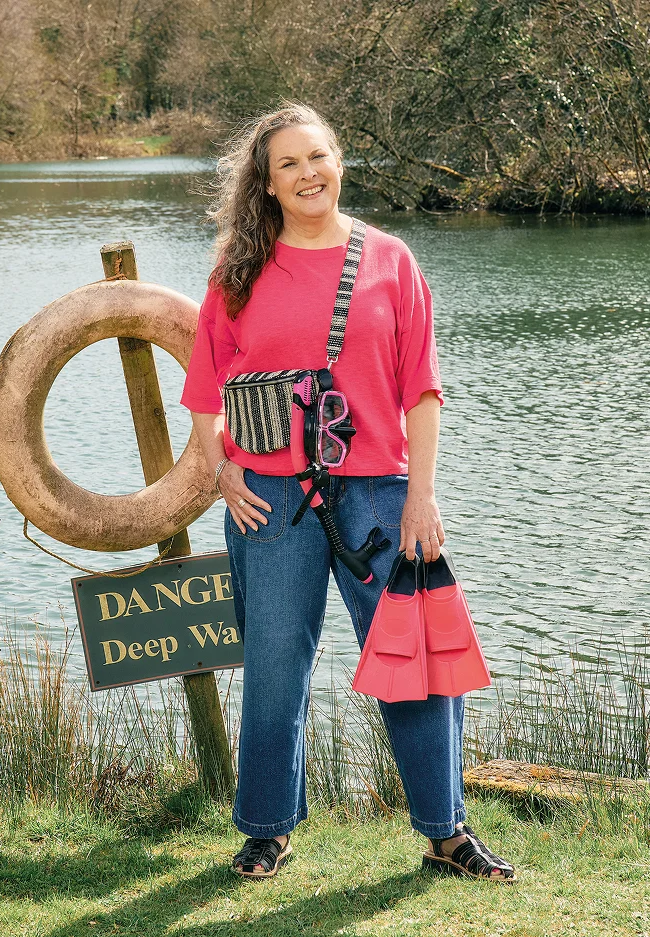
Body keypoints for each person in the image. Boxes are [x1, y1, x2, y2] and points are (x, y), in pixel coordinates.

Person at [180, 102, 515, 883]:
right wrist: (219, 469)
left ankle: (446, 832)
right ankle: (266, 829)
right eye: (288, 164)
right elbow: (203, 386)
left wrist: (421, 497)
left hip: (378, 499)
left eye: (317, 156)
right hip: (269, 498)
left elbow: (422, 390)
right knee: (274, 666)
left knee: (414, 663)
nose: (307, 174)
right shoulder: (238, 270)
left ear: (341, 161)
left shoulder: (391, 260)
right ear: (265, 183)